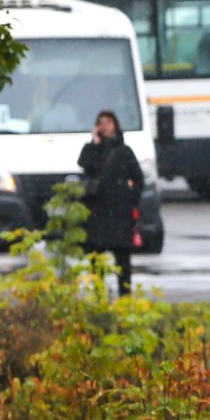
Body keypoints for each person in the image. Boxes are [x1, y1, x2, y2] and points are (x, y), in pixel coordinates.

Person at [77, 110, 142, 297]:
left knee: (122, 257)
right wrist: (94, 143)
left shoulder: (124, 151)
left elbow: (138, 179)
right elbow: (84, 163)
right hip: (97, 211)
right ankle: (99, 295)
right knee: (96, 257)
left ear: (115, 125)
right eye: (101, 123)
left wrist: (130, 198)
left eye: (108, 122)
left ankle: (125, 296)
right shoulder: (92, 149)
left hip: (120, 212)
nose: (104, 126)